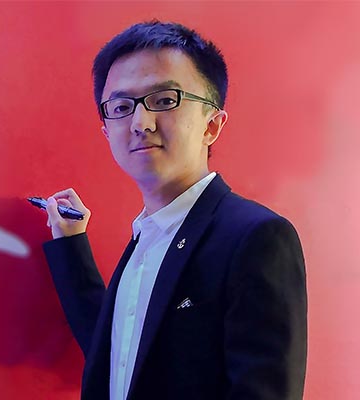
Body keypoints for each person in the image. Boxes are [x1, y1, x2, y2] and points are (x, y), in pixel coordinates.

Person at [40, 21, 306, 400]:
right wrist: (70, 246)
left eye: (165, 100)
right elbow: (118, 353)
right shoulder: (147, 237)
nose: (140, 123)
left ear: (211, 125)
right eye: (121, 107)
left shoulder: (256, 237)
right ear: (106, 131)